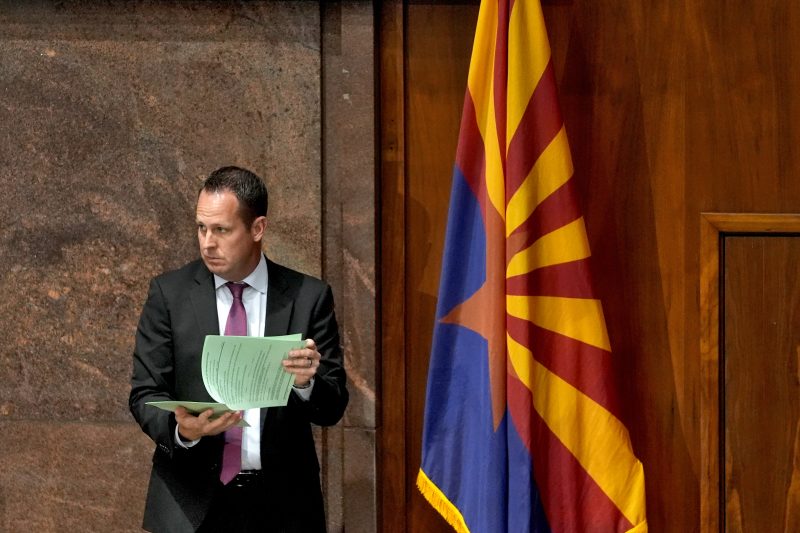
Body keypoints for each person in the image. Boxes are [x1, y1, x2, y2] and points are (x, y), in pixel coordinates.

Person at [129, 166, 348, 532]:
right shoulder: (170, 294)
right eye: (201, 228)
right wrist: (183, 430)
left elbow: (333, 407)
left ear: (257, 228)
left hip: (283, 507)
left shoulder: (308, 297)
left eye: (221, 230)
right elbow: (144, 394)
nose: (207, 243)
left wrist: (305, 383)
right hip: (189, 504)